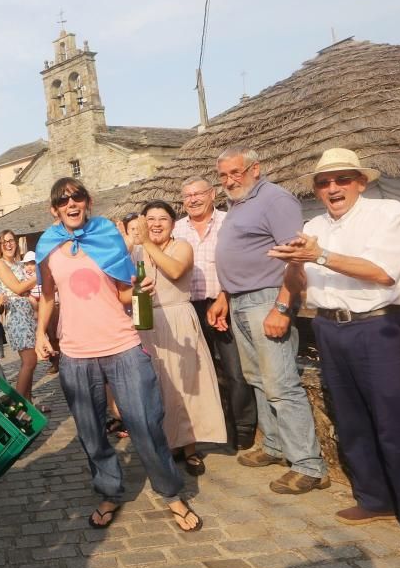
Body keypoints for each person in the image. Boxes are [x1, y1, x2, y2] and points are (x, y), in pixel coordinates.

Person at [270, 148, 400, 558]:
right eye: (324, 182)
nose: (332, 188)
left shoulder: (389, 213)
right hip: (329, 326)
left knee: (397, 422)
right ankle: (375, 499)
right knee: (352, 417)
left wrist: (317, 254)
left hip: (380, 325)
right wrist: (293, 263)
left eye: (342, 179)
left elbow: (382, 271)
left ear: (361, 181)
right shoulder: (314, 224)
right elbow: (300, 280)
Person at [35, 177, 202, 533]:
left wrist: (140, 288)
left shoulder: (108, 237)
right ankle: (109, 490)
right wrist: (40, 335)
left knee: (145, 424)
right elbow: (48, 296)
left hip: (122, 346)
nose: (71, 204)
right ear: (54, 210)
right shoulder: (48, 247)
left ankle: (171, 493)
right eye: (63, 201)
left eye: (77, 197)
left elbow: (124, 295)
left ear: (88, 200)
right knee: (91, 431)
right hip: (76, 353)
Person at [210, 146, 329, 494]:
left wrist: (281, 306)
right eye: (224, 175)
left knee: (280, 382)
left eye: (237, 172)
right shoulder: (240, 204)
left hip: (267, 299)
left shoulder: (276, 200)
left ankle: (309, 465)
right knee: (257, 379)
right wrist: (224, 296)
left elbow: (296, 257)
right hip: (241, 301)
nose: (230, 180)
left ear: (255, 169)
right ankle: (276, 446)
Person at [126, 201, 227, 475]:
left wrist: (147, 244)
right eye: (150, 219)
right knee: (158, 385)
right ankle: (168, 444)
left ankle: (191, 448)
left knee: (186, 385)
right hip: (146, 323)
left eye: (163, 219)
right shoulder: (134, 251)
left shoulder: (181, 246)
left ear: (173, 224)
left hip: (178, 318)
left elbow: (174, 271)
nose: (156, 224)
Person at [172, 177, 256, 450]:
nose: (193, 200)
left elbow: (242, 263)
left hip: (224, 303)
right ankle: (213, 430)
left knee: (235, 370)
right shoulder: (176, 229)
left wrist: (225, 297)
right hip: (189, 309)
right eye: (187, 196)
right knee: (200, 374)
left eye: (198, 194)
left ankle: (243, 430)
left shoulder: (228, 222)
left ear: (212, 194)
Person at [0, 229, 46, 410]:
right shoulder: (0, 263)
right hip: (16, 315)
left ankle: (28, 404)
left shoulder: (19, 264)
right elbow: (17, 288)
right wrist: (38, 275)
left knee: (30, 362)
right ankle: (17, 406)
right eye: (4, 241)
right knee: (29, 360)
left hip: (27, 313)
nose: (8, 244)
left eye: (11, 240)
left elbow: (26, 290)